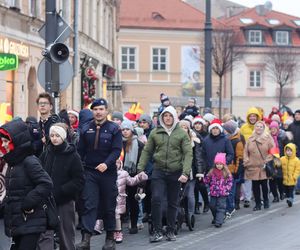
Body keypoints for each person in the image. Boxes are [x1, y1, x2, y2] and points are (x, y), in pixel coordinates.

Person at [137, 106, 192, 243]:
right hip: (159, 170)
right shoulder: (155, 132)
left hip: (176, 172)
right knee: (156, 199)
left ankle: (171, 230)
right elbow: (147, 151)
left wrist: (185, 172)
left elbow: (187, 153)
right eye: (165, 116)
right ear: (162, 118)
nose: (167, 118)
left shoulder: (181, 134)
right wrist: (140, 169)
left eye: (170, 116)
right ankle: (157, 230)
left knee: (173, 202)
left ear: (174, 117)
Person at [76, 98, 122, 250]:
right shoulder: (85, 128)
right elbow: (80, 151)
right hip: (90, 172)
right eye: (95, 109)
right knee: (89, 204)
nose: (98, 112)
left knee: (109, 205)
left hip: (108, 173)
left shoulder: (114, 128)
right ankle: (86, 239)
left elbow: (116, 150)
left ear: (106, 111)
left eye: (101, 109)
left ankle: (110, 238)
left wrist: (106, 163)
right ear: (92, 111)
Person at [1, 120, 53, 250]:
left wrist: (28, 203)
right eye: (3, 141)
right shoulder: (12, 162)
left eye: (7, 141)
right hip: (18, 222)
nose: (4, 144)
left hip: (31, 220)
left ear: (16, 142)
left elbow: (46, 183)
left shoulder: (29, 161)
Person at [39, 123, 84, 250]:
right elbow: (39, 171)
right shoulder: (47, 153)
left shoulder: (72, 155)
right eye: (52, 135)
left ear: (63, 137)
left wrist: (61, 191)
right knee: (45, 233)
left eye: (57, 135)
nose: (54, 138)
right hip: (46, 199)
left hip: (65, 200)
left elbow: (79, 180)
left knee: (66, 234)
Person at [114, 158, 148, 243]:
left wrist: (139, 177)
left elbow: (132, 181)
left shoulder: (124, 174)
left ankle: (118, 232)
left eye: (117, 163)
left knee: (118, 215)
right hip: (110, 197)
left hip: (120, 199)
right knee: (110, 215)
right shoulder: (108, 173)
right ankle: (112, 231)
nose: (115, 165)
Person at [120, 120, 145, 234]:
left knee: (133, 200)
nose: (125, 132)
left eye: (127, 129)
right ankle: (118, 225)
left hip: (134, 175)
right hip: (120, 176)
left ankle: (134, 223)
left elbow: (142, 162)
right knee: (120, 201)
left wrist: (140, 181)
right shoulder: (118, 143)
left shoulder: (139, 144)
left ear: (131, 130)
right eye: (123, 130)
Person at [243, 121, 275, 211]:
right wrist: (246, 160)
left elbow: (273, 150)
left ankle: (266, 201)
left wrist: (267, 160)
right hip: (253, 165)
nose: (259, 128)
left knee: (264, 185)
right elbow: (245, 151)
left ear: (264, 128)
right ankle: (257, 204)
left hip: (263, 166)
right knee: (255, 186)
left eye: (261, 126)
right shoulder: (250, 138)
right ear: (255, 128)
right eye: (257, 126)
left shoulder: (268, 138)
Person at [178, 120, 204, 218]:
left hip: (190, 171)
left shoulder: (194, 141)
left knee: (189, 194)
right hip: (177, 171)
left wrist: (200, 171)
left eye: (185, 127)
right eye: (182, 127)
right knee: (178, 195)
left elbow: (198, 157)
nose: (183, 129)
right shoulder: (174, 139)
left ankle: (190, 214)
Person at [240, 107, 261, 208]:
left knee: (259, 177)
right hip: (247, 155)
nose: (252, 118)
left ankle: (259, 196)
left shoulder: (262, 127)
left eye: (254, 116)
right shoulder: (243, 128)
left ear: (257, 117)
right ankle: (247, 198)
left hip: (259, 156)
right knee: (247, 177)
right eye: (251, 116)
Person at [204, 153, 233, 228]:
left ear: (223, 164)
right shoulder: (212, 171)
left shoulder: (226, 172)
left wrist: (227, 189)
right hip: (213, 192)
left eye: (220, 164)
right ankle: (216, 218)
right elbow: (207, 180)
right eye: (217, 164)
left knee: (221, 207)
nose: (219, 165)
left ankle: (219, 221)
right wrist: (205, 181)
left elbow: (230, 182)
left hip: (223, 193)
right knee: (212, 206)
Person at [223, 120, 244, 214]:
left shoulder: (237, 141)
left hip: (232, 169)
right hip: (225, 168)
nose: (223, 131)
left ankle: (231, 207)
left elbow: (239, 157)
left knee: (231, 190)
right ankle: (228, 206)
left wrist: (237, 170)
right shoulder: (226, 139)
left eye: (225, 130)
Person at [191, 116, 209, 213]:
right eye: (196, 124)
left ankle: (206, 202)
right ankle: (196, 205)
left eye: (199, 124)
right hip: (194, 163)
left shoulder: (207, 135)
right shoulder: (191, 134)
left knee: (201, 185)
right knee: (194, 186)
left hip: (204, 162)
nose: (197, 125)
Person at [286, 109, 300, 194]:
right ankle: (295, 187)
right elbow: (288, 138)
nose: (297, 116)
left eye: (299, 114)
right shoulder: (291, 126)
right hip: (293, 151)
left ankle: (298, 187)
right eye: (296, 114)